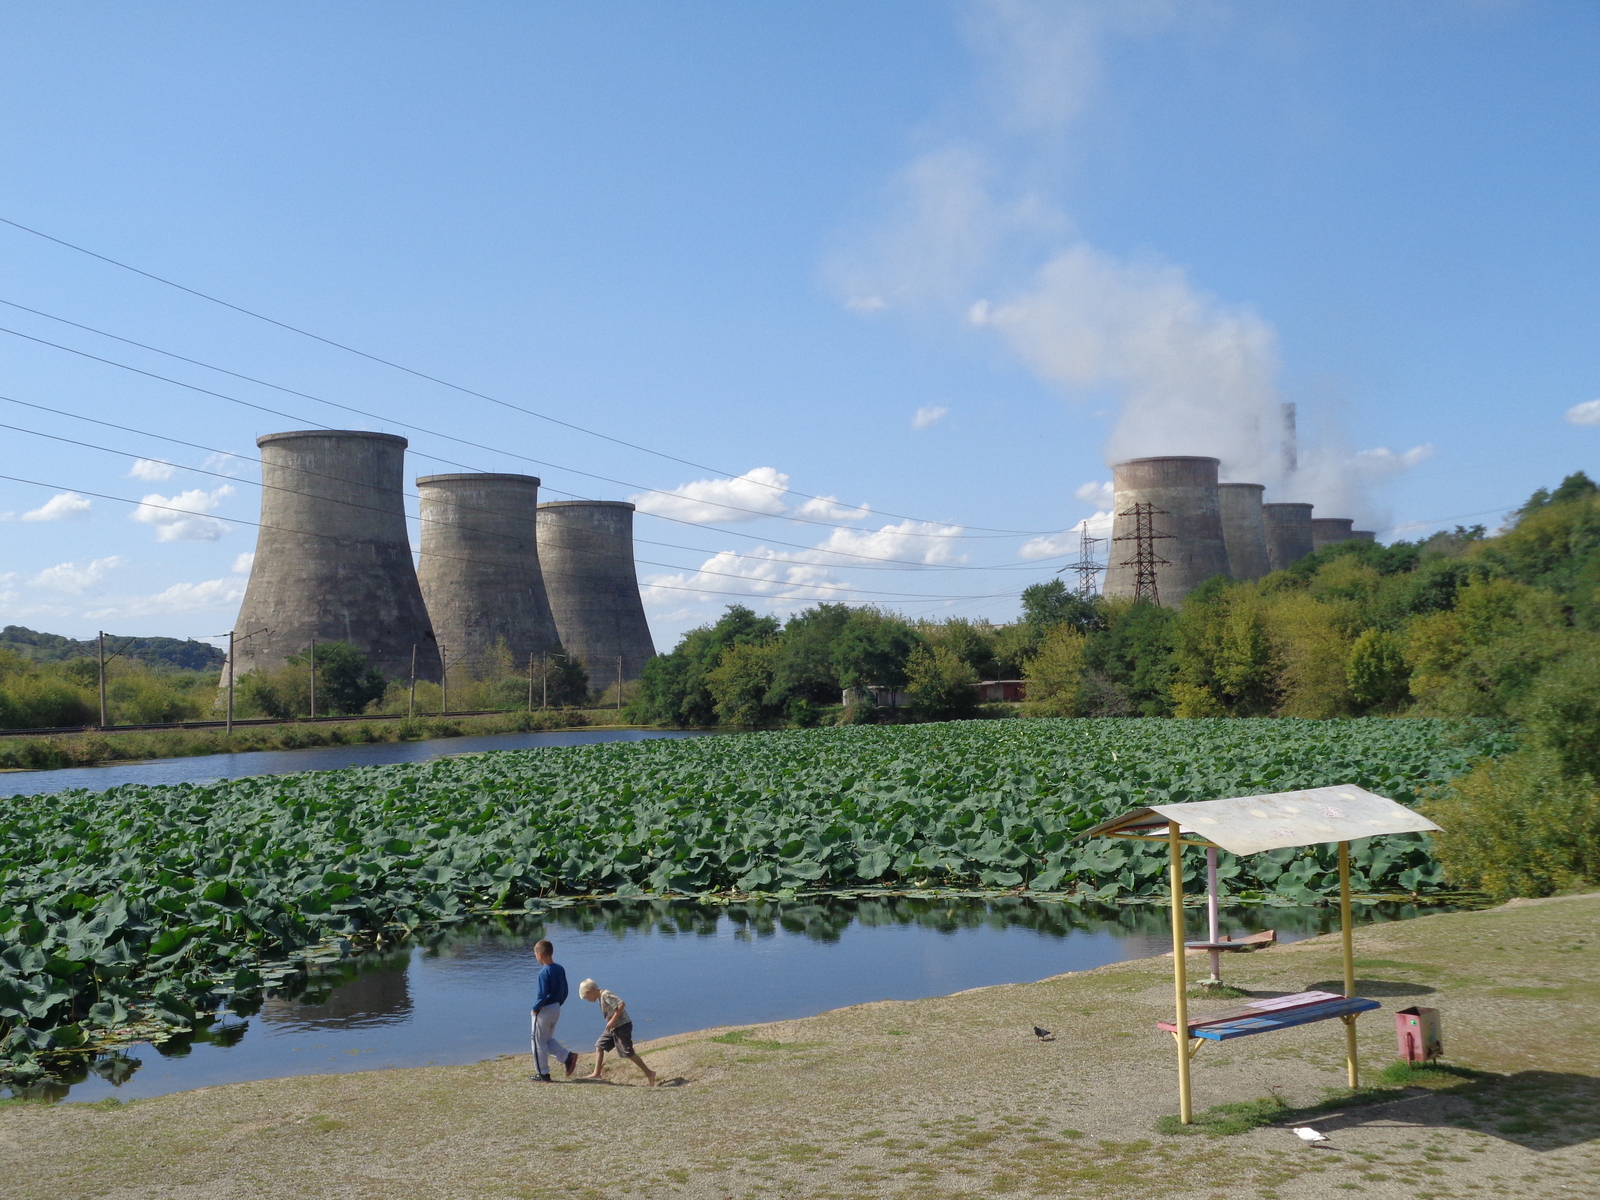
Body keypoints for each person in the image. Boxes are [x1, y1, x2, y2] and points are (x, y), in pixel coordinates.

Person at [578, 978, 657, 1086]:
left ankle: (649, 1073)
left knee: (627, 1052)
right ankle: (596, 1073)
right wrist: (611, 1022)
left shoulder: (605, 994)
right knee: (599, 1045)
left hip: (622, 1025)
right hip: (613, 1027)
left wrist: (613, 1020)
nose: (588, 1000)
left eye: (587, 998)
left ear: (589, 992)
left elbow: (621, 1004)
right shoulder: (600, 998)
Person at [530, 938, 579, 1082]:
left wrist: (535, 1008)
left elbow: (542, 994)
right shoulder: (559, 968)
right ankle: (567, 1057)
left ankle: (543, 1073)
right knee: (547, 1039)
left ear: (539, 955)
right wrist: (559, 1003)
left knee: (537, 1041)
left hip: (544, 1009)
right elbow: (565, 990)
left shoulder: (543, 972)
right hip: (556, 1007)